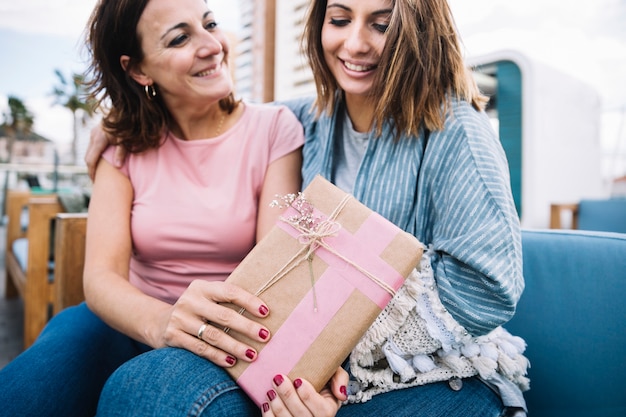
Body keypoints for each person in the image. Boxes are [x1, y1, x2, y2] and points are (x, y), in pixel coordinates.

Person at [87, 0, 530, 416]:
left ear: (419, 29)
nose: (355, 44)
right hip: (316, 365)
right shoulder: (310, 118)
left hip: (441, 375)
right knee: (142, 387)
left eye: (381, 24)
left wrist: (325, 351)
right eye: (339, 20)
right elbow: (229, 120)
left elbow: (485, 288)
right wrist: (116, 121)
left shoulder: (459, 131)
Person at [0, 0, 309, 415]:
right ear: (138, 70)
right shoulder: (122, 145)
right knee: (22, 394)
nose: (212, 45)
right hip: (122, 321)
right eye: (180, 38)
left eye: (210, 24)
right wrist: (164, 322)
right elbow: (101, 278)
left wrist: (196, 332)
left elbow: (275, 271)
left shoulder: (275, 129)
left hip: (220, 338)